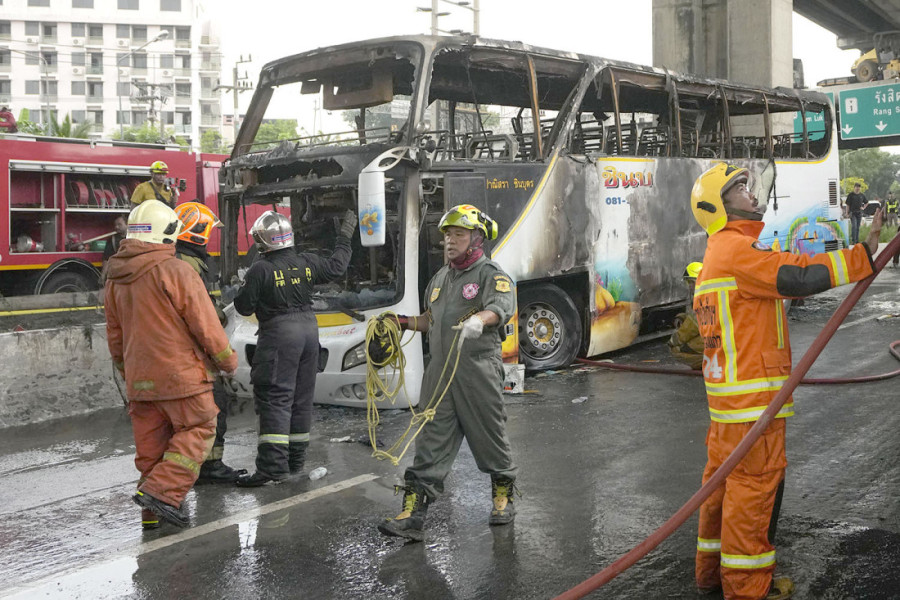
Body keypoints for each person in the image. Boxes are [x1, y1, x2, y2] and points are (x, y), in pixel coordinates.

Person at [690, 163, 879, 600]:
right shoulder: (736, 252)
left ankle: (711, 574)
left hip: (728, 408)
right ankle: (748, 589)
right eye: (739, 189)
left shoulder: (717, 256)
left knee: (721, 490)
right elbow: (796, 275)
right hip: (754, 405)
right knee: (753, 495)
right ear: (718, 208)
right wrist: (860, 257)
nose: (751, 194)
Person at [377, 204, 518, 542]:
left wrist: (479, 320)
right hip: (440, 374)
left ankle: (503, 496)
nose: (449, 242)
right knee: (430, 442)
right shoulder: (440, 278)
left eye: (458, 234)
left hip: (477, 370)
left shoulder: (490, 274)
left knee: (489, 435)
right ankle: (412, 516)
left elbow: (501, 308)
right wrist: (403, 323)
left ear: (476, 238)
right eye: (446, 236)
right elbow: (431, 320)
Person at [105, 200, 238, 528]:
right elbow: (205, 324)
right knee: (199, 428)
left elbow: (115, 336)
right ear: (165, 234)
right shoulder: (177, 271)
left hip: (140, 379)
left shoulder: (114, 279)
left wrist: (128, 371)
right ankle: (163, 495)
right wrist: (227, 361)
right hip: (181, 376)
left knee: (152, 448)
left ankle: (151, 516)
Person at [233, 209, 356, 486]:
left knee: (275, 398)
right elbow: (337, 267)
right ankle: (295, 464)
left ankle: (272, 469)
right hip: (309, 332)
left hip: (279, 335)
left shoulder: (260, 269)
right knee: (301, 398)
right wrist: (345, 238)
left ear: (261, 241)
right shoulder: (307, 262)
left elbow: (243, 306)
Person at [173, 201, 247, 484]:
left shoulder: (186, 260)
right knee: (215, 406)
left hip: (187, 352)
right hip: (195, 353)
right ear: (198, 233)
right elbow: (200, 312)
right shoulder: (187, 265)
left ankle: (202, 467)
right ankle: (209, 469)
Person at [98, 216, 127, 286]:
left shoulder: (134, 238)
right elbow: (107, 258)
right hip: (118, 273)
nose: (116, 227)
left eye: (119, 224)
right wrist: (103, 275)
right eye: (115, 225)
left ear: (127, 224)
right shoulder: (112, 240)